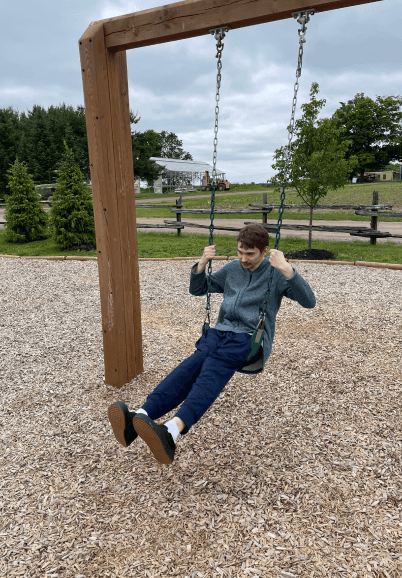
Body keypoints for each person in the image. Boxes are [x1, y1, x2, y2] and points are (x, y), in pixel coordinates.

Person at [108, 223, 316, 465]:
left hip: (249, 338)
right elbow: (199, 289)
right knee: (189, 367)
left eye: (250, 254)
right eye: (240, 252)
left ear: (264, 251)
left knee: (211, 372)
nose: (243, 259)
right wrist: (201, 264)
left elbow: (309, 301)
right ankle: (139, 417)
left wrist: (288, 269)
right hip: (218, 333)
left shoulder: (276, 273)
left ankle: (171, 431)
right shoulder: (232, 269)